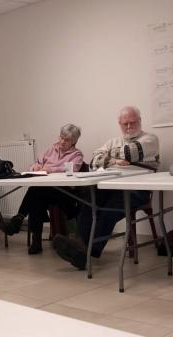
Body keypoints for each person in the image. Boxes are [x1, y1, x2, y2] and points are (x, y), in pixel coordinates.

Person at [53, 106, 160, 269]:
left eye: (132, 123)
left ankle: (89, 251)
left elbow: (130, 153)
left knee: (109, 210)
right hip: (111, 184)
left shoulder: (150, 139)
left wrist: (108, 157)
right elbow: (94, 161)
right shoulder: (113, 141)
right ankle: (82, 246)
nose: (129, 127)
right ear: (119, 124)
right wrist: (115, 161)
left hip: (137, 188)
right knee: (89, 198)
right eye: (125, 124)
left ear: (140, 121)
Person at [2, 123, 84, 254]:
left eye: (66, 139)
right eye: (61, 137)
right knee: (37, 198)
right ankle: (32, 237)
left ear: (74, 141)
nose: (62, 141)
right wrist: (35, 168)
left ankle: (23, 224)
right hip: (46, 191)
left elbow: (73, 169)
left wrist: (50, 169)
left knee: (36, 192)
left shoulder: (77, 155)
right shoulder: (51, 149)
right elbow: (36, 163)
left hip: (65, 192)